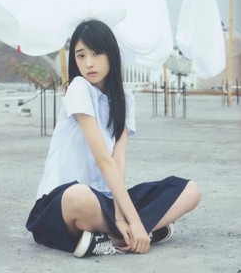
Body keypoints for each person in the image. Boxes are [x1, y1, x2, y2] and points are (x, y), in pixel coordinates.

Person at [26, 19, 201, 257]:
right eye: (80, 56)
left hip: (105, 203)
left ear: (111, 54)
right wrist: (132, 220)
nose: (88, 63)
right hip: (60, 204)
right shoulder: (79, 88)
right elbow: (104, 160)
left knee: (190, 191)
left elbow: (117, 161)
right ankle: (135, 233)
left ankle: (106, 238)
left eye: (97, 53)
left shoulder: (125, 100)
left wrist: (121, 214)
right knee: (81, 195)